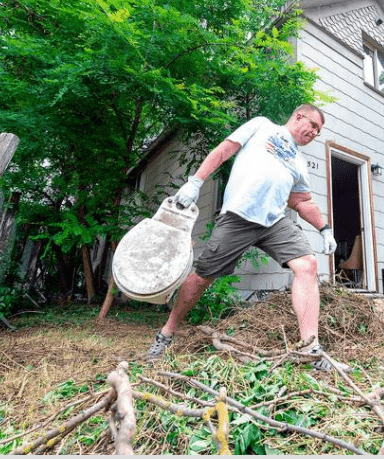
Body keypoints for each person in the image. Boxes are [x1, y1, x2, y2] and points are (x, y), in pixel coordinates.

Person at [145, 104, 348, 372]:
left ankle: (310, 350)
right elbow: (224, 150)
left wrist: (325, 229)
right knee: (202, 276)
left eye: (318, 132)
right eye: (313, 127)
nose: (314, 133)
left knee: (308, 264)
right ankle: (166, 333)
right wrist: (196, 182)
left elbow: (302, 201)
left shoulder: (299, 162)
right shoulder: (262, 125)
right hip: (238, 216)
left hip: (273, 221)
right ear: (299, 116)